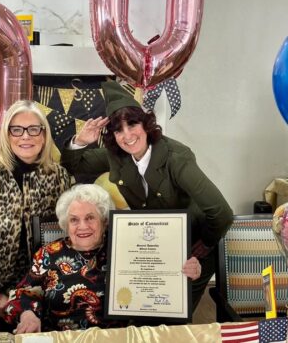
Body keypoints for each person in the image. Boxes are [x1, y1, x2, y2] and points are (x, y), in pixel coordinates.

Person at [61, 80, 233, 311]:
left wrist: (206, 243)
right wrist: (80, 141)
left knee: (173, 314)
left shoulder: (176, 158)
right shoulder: (117, 155)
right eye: (118, 129)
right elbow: (74, 165)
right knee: (144, 311)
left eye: (132, 124)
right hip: (153, 247)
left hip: (192, 246)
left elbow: (222, 212)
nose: (127, 135)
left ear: (146, 124)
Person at [4, 184, 201, 333]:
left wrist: (184, 268)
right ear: (66, 224)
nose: (82, 226)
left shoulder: (127, 248)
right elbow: (22, 293)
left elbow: (161, 272)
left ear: (104, 221)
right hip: (63, 338)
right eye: (74, 220)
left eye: (90, 217)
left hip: (119, 338)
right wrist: (28, 315)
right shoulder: (49, 253)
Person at [0, 100, 71, 333]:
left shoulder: (59, 176)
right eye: (17, 130)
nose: (25, 136)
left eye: (34, 129)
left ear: (44, 135)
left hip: (42, 285)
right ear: (7, 135)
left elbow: (65, 237)